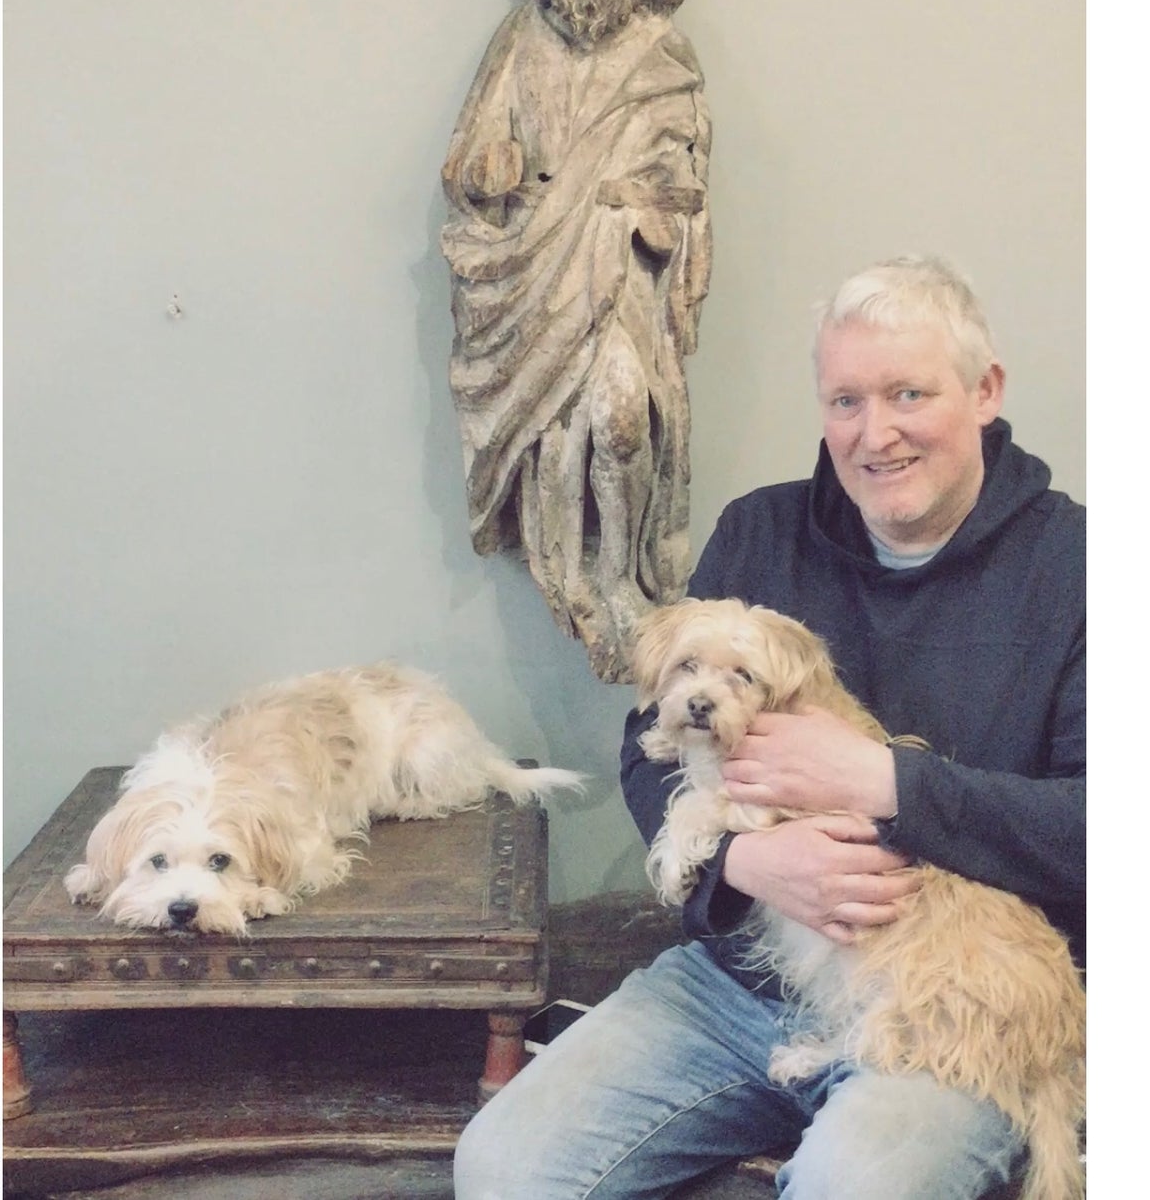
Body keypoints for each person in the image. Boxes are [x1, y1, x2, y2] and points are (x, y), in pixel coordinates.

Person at [453, 255, 1085, 1199]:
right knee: (504, 1167)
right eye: (844, 402)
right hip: (740, 978)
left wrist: (881, 784)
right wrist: (740, 865)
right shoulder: (762, 532)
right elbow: (651, 739)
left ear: (985, 390)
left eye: (908, 393)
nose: (876, 434)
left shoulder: (1080, 569)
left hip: (942, 1002)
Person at [440, 0, 713, 683]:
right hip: (533, 285)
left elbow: (689, 185)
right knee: (561, 448)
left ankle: (619, 576)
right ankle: (581, 588)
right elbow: (470, 159)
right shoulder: (520, 40)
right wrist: (490, 169)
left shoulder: (666, 56)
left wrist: (652, 206)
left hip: (617, 278)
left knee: (624, 417)